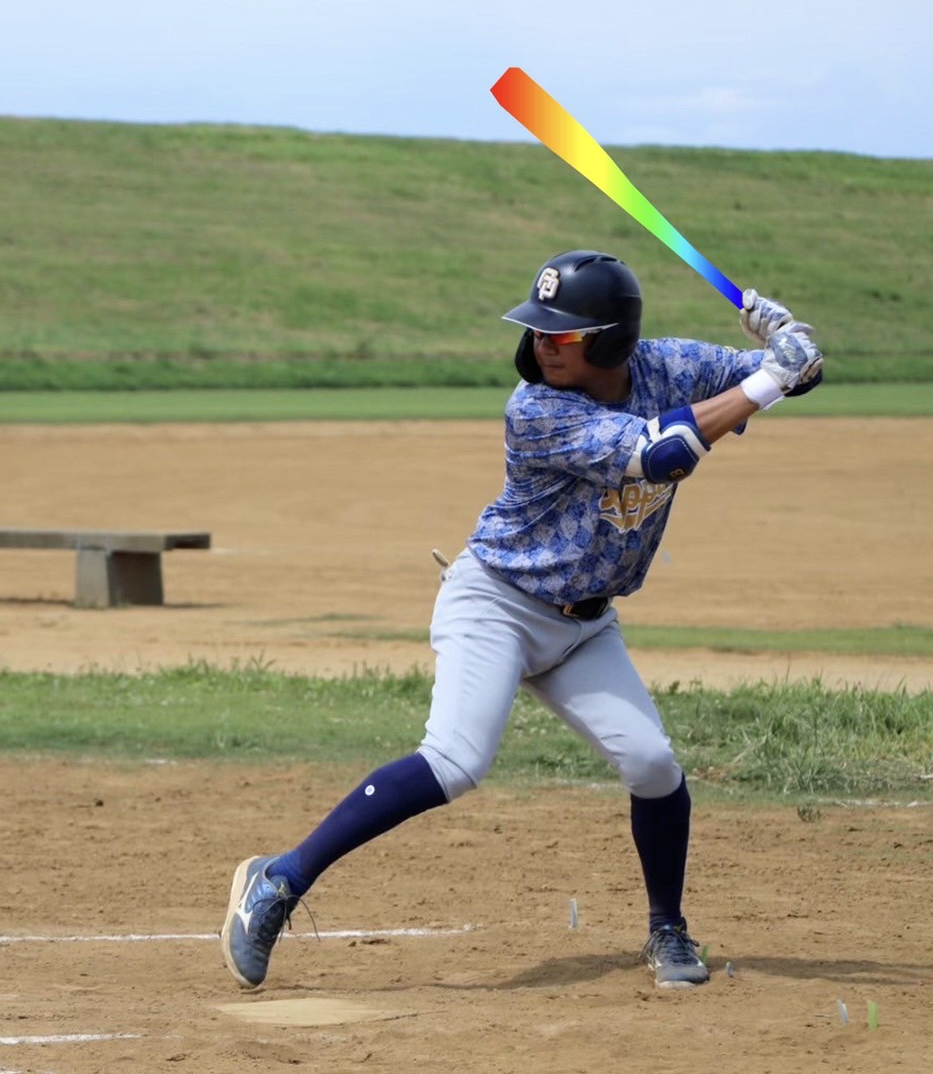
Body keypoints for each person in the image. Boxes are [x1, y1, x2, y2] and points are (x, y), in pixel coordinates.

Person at [221, 248, 823, 991]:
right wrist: (771, 376)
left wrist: (787, 343)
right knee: (455, 761)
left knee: (653, 765)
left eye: (562, 334)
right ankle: (279, 881)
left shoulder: (669, 366)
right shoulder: (537, 408)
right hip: (497, 602)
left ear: (609, 341)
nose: (542, 343)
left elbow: (794, 375)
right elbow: (662, 453)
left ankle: (668, 929)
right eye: (537, 330)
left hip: (585, 624)